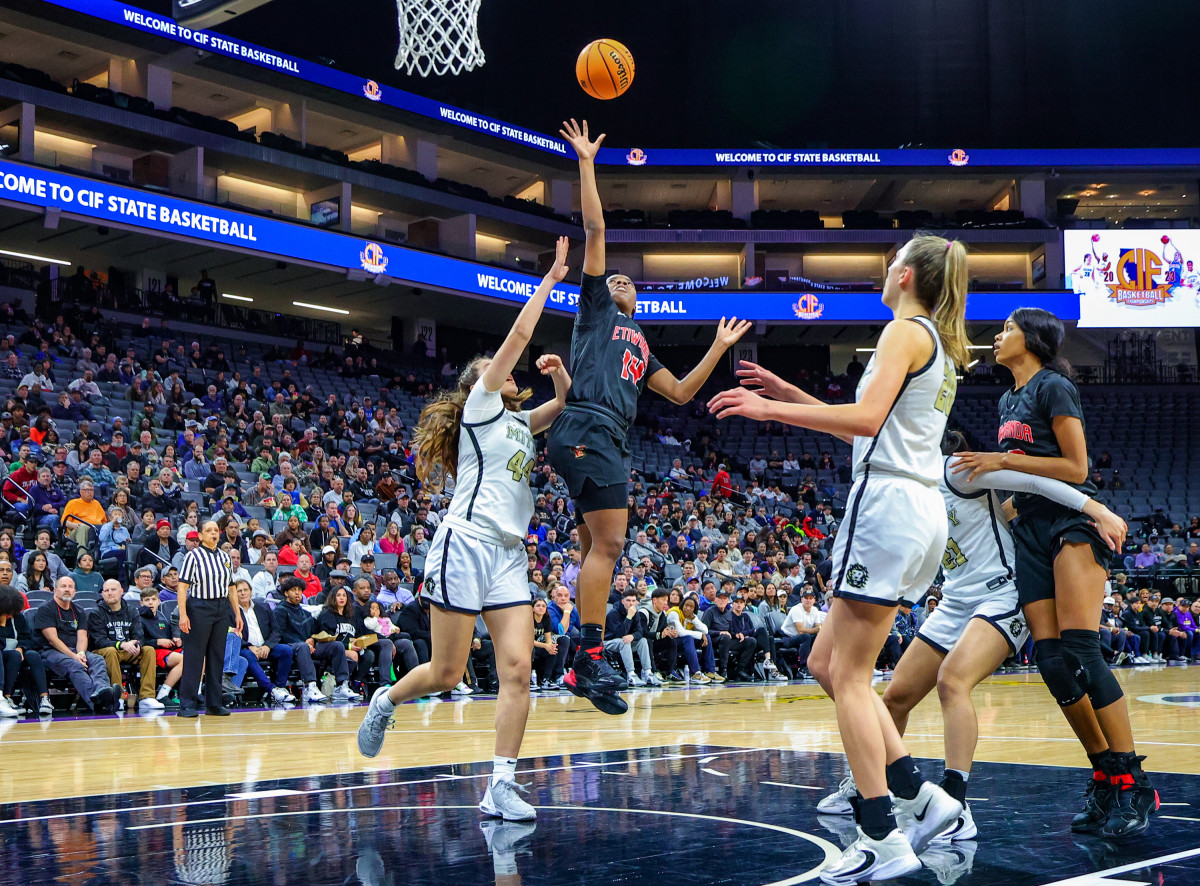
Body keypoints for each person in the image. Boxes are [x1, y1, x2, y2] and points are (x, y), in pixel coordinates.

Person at [710, 233, 971, 882]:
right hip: (915, 512)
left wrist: (767, 409)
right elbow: (870, 416)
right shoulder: (931, 342)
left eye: (890, 265)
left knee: (850, 678)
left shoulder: (903, 332)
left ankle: (882, 833)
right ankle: (918, 793)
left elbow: (864, 419)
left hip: (886, 508)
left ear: (906, 275)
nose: (885, 273)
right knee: (823, 662)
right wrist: (789, 391)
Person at [357, 236, 573, 825]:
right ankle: (386, 698)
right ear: (483, 382)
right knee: (447, 673)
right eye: (496, 369)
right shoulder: (481, 408)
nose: (507, 372)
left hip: (508, 554)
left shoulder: (522, 422)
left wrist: (560, 377)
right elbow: (520, 339)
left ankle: (501, 785)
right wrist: (551, 276)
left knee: (518, 670)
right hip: (465, 542)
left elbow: (562, 403)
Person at [820, 430, 1127, 842]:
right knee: (895, 697)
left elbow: (1034, 481)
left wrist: (1096, 508)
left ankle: (956, 804)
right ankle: (866, 783)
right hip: (955, 600)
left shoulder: (956, 471)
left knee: (952, 680)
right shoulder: (907, 490)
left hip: (1002, 593)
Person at [545, 119, 750, 716]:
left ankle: (579, 662)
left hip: (598, 436)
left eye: (626, 280)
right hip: (588, 425)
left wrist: (717, 346)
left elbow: (683, 394)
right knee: (610, 545)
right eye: (612, 278)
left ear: (642, 299)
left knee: (593, 552)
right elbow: (595, 227)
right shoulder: (595, 313)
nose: (618, 279)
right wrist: (585, 162)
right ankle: (585, 661)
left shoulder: (641, 346)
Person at [954, 307, 1157, 838]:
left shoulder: (1053, 387)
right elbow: (1022, 468)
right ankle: (1105, 773)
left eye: (1006, 328)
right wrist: (1010, 497)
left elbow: (1077, 469)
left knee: (1081, 649)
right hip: (1031, 528)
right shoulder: (1005, 399)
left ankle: (1135, 782)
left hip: (1071, 523)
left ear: (1033, 338)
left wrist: (1003, 463)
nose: (997, 337)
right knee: (1050, 660)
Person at [176, 520, 241, 718]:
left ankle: (214, 703)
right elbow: (182, 587)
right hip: (199, 607)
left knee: (217, 656)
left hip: (221, 608)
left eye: (215, 530)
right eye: (208, 530)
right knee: (195, 657)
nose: (213, 533)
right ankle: (186, 704)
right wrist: (183, 614)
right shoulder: (192, 556)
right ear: (201, 535)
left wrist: (237, 614)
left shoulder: (224, 557)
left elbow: (231, 588)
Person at [33, 576, 115, 713]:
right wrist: (74, 656)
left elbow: (82, 637)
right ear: (55, 590)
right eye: (63, 586)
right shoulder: (45, 609)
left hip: (75, 651)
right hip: (50, 651)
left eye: (70, 587)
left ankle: (101, 690)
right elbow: (52, 640)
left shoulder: (79, 611)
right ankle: (96, 702)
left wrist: (81, 653)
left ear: (75, 591)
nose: (67, 589)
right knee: (75, 665)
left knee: (97, 660)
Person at [268, 576, 357, 703]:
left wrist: (312, 639)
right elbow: (280, 634)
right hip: (289, 646)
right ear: (286, 593)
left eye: (299, 590)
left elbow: (314, 631)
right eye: (294, 590)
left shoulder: (305, 613)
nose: (297, 593)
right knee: (303, 647)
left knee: (337, 645)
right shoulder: (279, 611)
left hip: (309, 646)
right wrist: (304, 642)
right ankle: (310, 686)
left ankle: (342, 685)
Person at [88, 578, 164, 711]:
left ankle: (147, 697)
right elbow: (99, 641)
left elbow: (139, 635)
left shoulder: (132, 611)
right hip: (103, 651)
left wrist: (137, 644)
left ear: (121, 591)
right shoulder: (96, 613)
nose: (110, 593)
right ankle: (119, 698)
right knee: (110, 651)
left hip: (128, 650)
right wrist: (121, 645)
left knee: (148, 650)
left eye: (113, 590)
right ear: (102, 594)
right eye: (106, 590)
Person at [233, 580, 296, 704]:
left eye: (245, 590)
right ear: (234, 594)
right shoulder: (231, 612)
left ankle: (280, 687)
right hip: (246, 649)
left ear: (251, 592)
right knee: (247, 656)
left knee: (286, 650)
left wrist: (267, 645)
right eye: (239, 591)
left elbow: (276, 630)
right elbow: (232, 634)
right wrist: (250, 646)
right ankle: (271, 689)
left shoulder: (263, 607)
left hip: (266, 647)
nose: (243, 593)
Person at [0, 583, 52, 717]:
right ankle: (5, 697)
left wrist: (21, 648)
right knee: (14, 656)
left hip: (15, 651)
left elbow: (27, 637)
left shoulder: (17, 617)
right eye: (8, 612)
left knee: (33, 655)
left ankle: (44, 698)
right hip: (4, 654)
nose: (11, 615)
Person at [604, 588, 652, 687]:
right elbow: (618, 634)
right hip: (608, 642)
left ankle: (648, 672)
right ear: (623, 601)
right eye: (628, 600)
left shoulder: (636, 613)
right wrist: (629, 617)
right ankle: (631, 674)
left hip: (625, 642)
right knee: (624, 641)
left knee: (642, 641)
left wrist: (633, 636)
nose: (631, 603)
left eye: (633, 601)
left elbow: (640, 632)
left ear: (637, 602)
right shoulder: (614, 613)